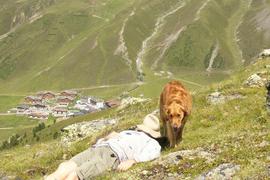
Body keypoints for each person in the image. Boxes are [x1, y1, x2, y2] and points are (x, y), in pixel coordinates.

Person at [45, 114, 165, 180]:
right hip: (98, 147)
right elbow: (108, 138)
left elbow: (154, 153)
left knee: (75, 176)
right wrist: (108, 137)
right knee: (64, 167)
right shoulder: (129, 132)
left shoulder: (151, 142)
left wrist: (133, 161)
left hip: (111, 156)